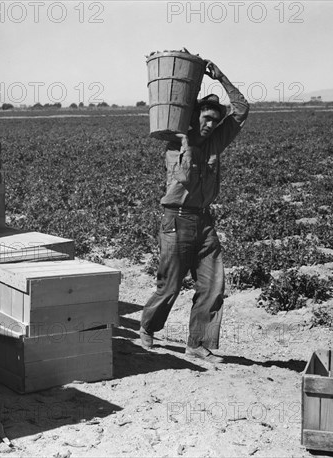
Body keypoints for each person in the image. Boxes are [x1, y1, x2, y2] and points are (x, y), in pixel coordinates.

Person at [139, 60, 250, 363]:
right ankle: (148, 326)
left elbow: (241, 110)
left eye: (215, 120)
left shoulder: (216, 141)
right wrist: (187, 141)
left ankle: (198, 343)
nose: (211, 124)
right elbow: (185, 178)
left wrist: (221, 77)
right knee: (170, 285)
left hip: (203, 220)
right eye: (206, 117)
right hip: (176, 219)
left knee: (213, 283)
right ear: (195, 116)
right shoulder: (176, 146)